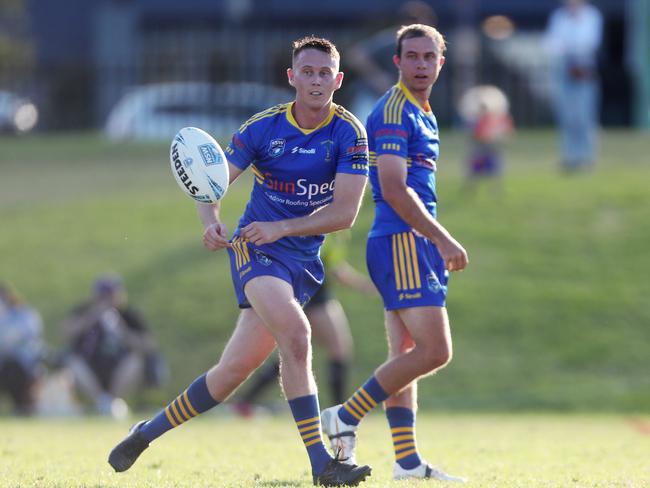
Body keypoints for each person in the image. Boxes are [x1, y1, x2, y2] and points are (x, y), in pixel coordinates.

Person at [108, 36, 372, 487]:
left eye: (324, 73)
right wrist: (211, 221)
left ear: (338, 79)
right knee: (298, 333)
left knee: (231, 374)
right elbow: (211, 184)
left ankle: (145, 432)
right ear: (291, 77)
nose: (315, 80)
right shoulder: (263, 128)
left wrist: (284, 228)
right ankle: (321, 464)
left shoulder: (349, 133)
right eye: (306, 72)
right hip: (255, 248)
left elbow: (345, 213)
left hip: (301, 258)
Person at [319, 24, 469, 482]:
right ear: (397, 62)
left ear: (440, 64)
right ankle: (346, 414)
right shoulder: (393, 111)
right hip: (402, 240)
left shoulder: (424, 113)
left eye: (429, 57)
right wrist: (443, 236)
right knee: (435, 350)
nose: (421, 65)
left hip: (411, 242)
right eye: (413, 57)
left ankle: (406, 461)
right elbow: (393, 189)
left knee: (404, 352)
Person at [233, 232, 376, 416]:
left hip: (315, 292)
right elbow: (321, 264)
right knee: (327, 348)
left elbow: (334, 266)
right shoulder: (316, 220)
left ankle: (246, 401)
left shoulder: (336, 230)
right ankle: (338, 412)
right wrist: (363, 285)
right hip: (309, 293)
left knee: (297, 350)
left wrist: (363, 285)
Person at [62, 274, 164, 418]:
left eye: (110, 296)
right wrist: (92, 317)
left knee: (135, 361)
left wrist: (123, 332)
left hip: (119, 368)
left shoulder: (129, 315)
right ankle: (102, 403)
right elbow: (66, 333)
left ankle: (112, 402)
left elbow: (148, 344)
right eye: (103, 296)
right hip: (90, 368)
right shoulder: (85, 311)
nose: (107, 301)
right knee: (73, 362)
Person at [346, 1, 438, 123]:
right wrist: (377, 77)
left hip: (399, 100)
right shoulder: (392, 39)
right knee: (362, 136)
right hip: (372, 97)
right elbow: (356, 55)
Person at [544, 0, 603, 171]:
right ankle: (570, 157)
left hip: (584, 69)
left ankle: (586, 157)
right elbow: (551, 44)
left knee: (584, 114)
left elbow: (589, 42)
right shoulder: (559, 16)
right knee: (567, 115)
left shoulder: (592, 15)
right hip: (564, 68)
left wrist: (567, 46)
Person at [0, 283, 45, 415]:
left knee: (12, 369)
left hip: (23, 366)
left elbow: (9, 341)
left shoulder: (25, 315)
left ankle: (21, 407)